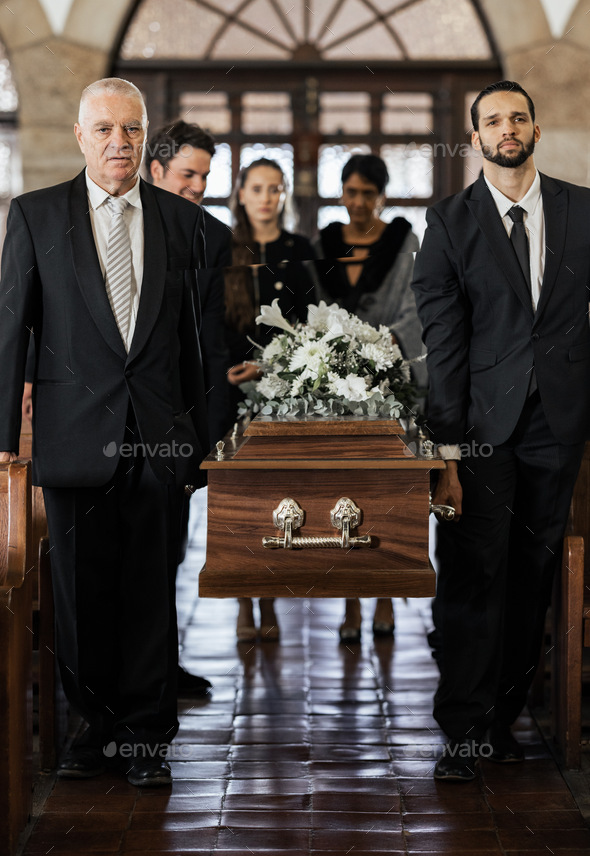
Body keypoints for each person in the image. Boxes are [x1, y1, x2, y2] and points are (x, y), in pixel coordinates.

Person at [0, 78, 212, 787]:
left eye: (130, 131)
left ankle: (148, 736)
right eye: (104, 130)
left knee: (152, 589)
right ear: (79, 135)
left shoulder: (181, 224)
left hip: (161, 439)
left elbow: (200, 344)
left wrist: (201, 440)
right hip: (72, 436)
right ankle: (94, 727)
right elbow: (11, 331)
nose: (118, 144)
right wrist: (5, 438)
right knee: (82, 595)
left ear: (145, 138)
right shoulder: (34, 215)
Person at [412, 80, 590, 782]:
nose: (507, 128)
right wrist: (447, 447)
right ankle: (464, 730)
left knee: (532, 571)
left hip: (560, 423)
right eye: (493, 120)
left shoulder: (581, 211)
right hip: (481, 430)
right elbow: (444, 342)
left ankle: (506, 717)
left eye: (518, 117)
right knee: (472, 571)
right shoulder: (450, 222)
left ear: (535, 131)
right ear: (476, 137)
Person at [315, 153, 423, 644]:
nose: (358, 203)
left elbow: (414, 308)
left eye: (368, 194)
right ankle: (351, 600)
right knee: (344, 492)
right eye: (351, 192)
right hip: (337, 390)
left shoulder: (404, 240)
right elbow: (314, 309)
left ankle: (385, 594)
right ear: (341, 193)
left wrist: (378, 351)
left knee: (388, 494)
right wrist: (336, 356)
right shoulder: (326, 243)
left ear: (381, 195)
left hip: (391, 383)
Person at [147, 120, 232, 697]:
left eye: (205, 175)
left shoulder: (212, 236)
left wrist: (211, 438)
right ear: (155, 172)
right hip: (114, 416)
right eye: (187, 174)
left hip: (178, 419)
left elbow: (211, 340)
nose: (198, 186)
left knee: (170, 553)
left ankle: (159, 670)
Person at [225, 157, 316, 642]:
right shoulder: (225, 244)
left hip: (281, 390)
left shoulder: (299, 249)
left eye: (274, 189)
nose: (266, 197)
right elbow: (217, 321)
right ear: (241, 193)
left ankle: (270, 596)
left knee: (277, 496)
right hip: (232, 390)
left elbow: (308, 324)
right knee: (239, 501)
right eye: (257, 188)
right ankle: (244, 601)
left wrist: (272, 367)